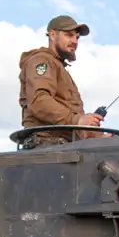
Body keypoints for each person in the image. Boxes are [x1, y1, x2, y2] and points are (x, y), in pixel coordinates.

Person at [18, 15, 105, 145]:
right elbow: (39, 101)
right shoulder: (42, 60)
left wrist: (98, 136)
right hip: (46, 143)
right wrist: (77, 120)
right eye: (69, 35)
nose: (75, 41)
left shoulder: (59, 67)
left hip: (65, 145)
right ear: (53, 35)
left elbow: (73, 123)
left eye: (77, 37)